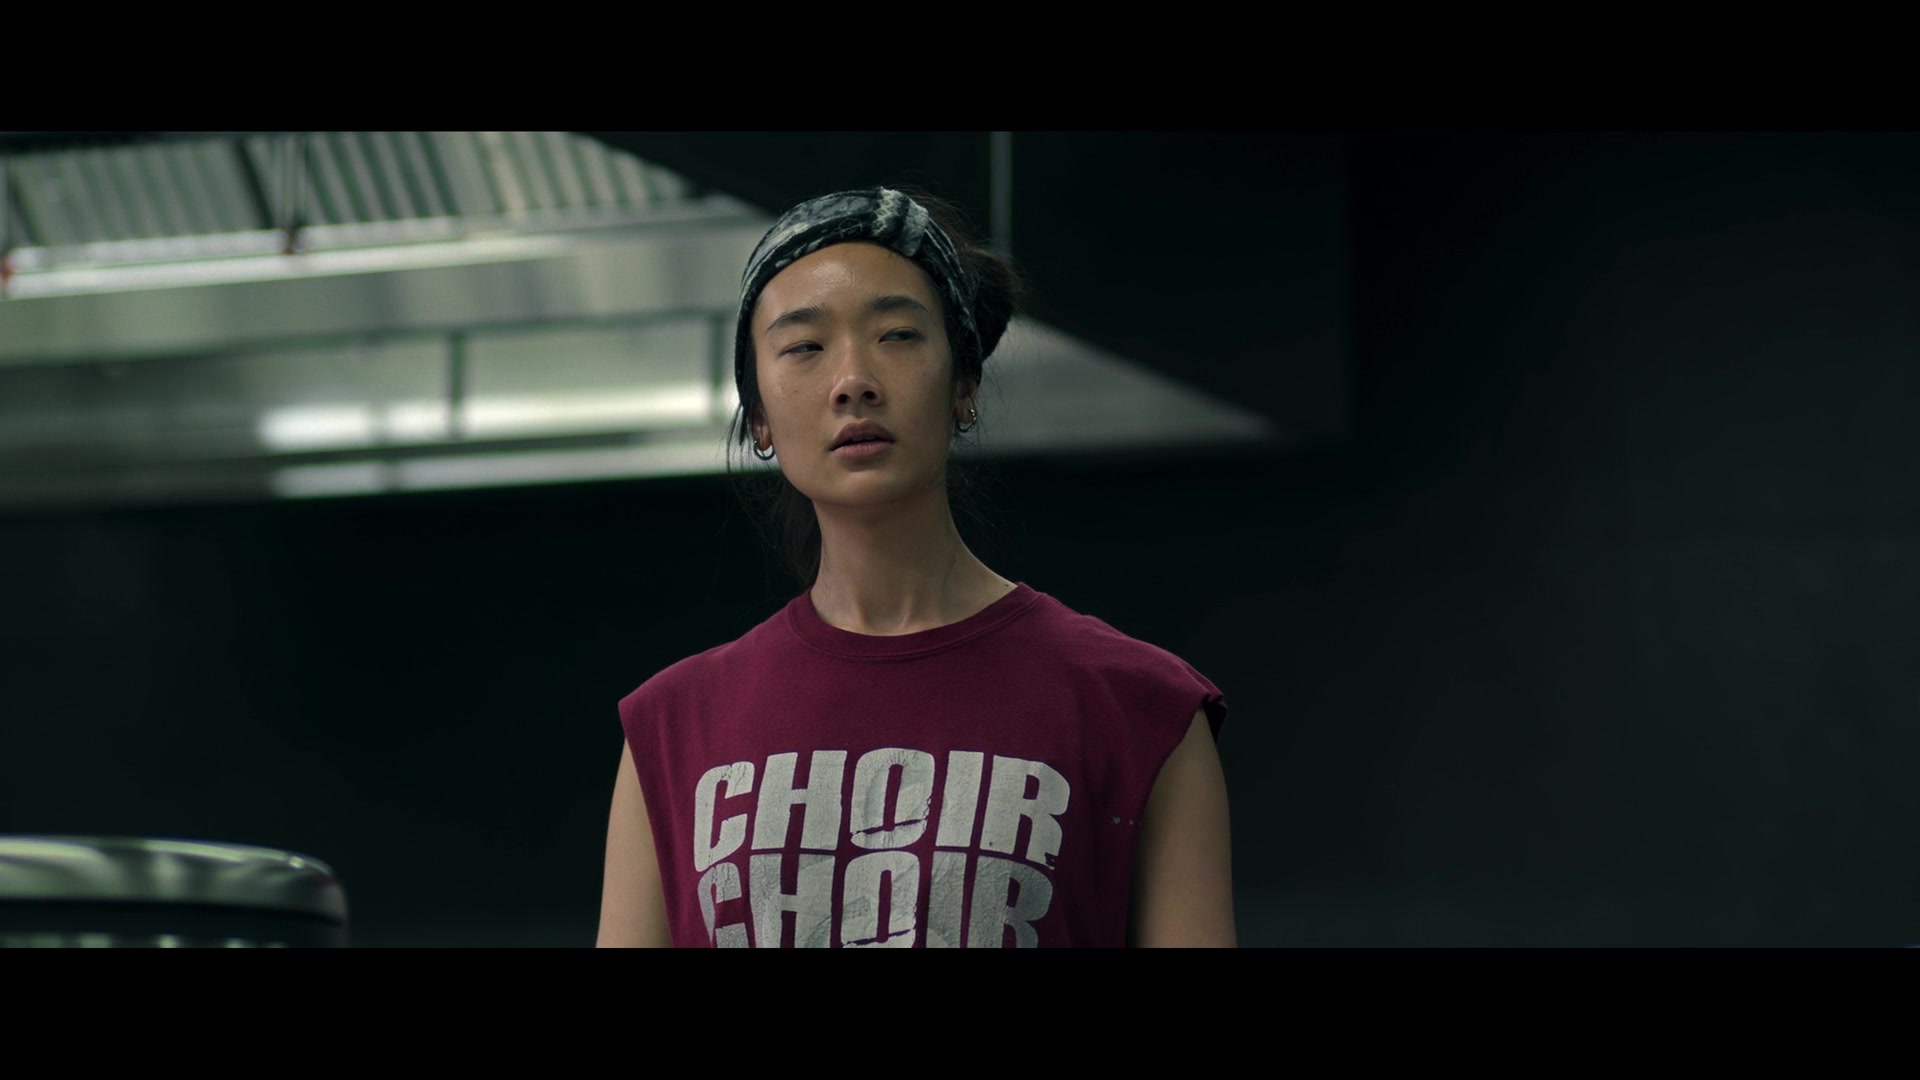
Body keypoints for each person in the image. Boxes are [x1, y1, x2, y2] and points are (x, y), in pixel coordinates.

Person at [597, 187, 1233, 947]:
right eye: (804, 347)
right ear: (759, 416)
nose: (853, 380)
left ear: (964, 385)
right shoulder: (673, 729)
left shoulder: (1139, 710)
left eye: (897, 335)